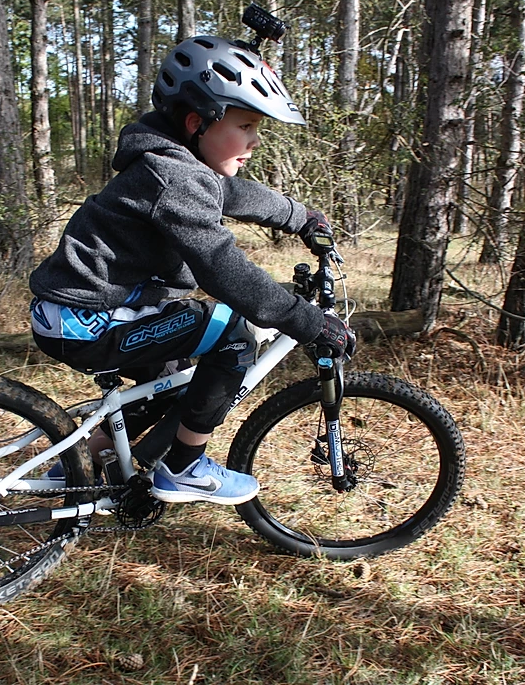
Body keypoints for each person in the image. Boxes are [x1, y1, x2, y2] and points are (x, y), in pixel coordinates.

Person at [29, 34, 354, 507]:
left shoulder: (175, 165)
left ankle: (75, 466)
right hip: (86, 322)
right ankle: (183, 469)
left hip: (75, 313)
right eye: (245, 125)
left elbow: (233, 194)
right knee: (234, 333)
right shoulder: (176, 178)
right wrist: (306, 322)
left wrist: (299, 216)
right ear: (197, 121)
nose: (254, 140)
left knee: (168, 379)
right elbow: (223, 270)